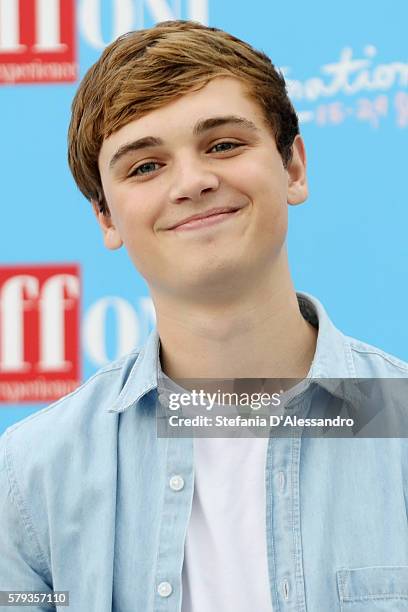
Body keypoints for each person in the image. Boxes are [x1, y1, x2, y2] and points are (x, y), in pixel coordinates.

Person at [1, 19, 408, 612]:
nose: (192, 182)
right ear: (107, 218)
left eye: (223, 144)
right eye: (145, 166)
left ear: (292, 167)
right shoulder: (31, 474)